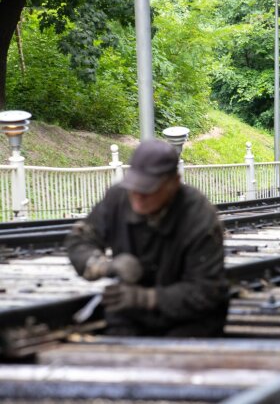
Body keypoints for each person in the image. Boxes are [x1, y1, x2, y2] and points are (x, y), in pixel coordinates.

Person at [65, 139, 228, 337]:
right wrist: (104, 266)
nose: (138, 195)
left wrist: (146, 298)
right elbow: (79, 241)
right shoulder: (119, 198)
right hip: (130, 317)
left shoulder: (199, 216)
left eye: (148, 188)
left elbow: (207, 290)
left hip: (189, 322)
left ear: (174, 183)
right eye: (135, 186)